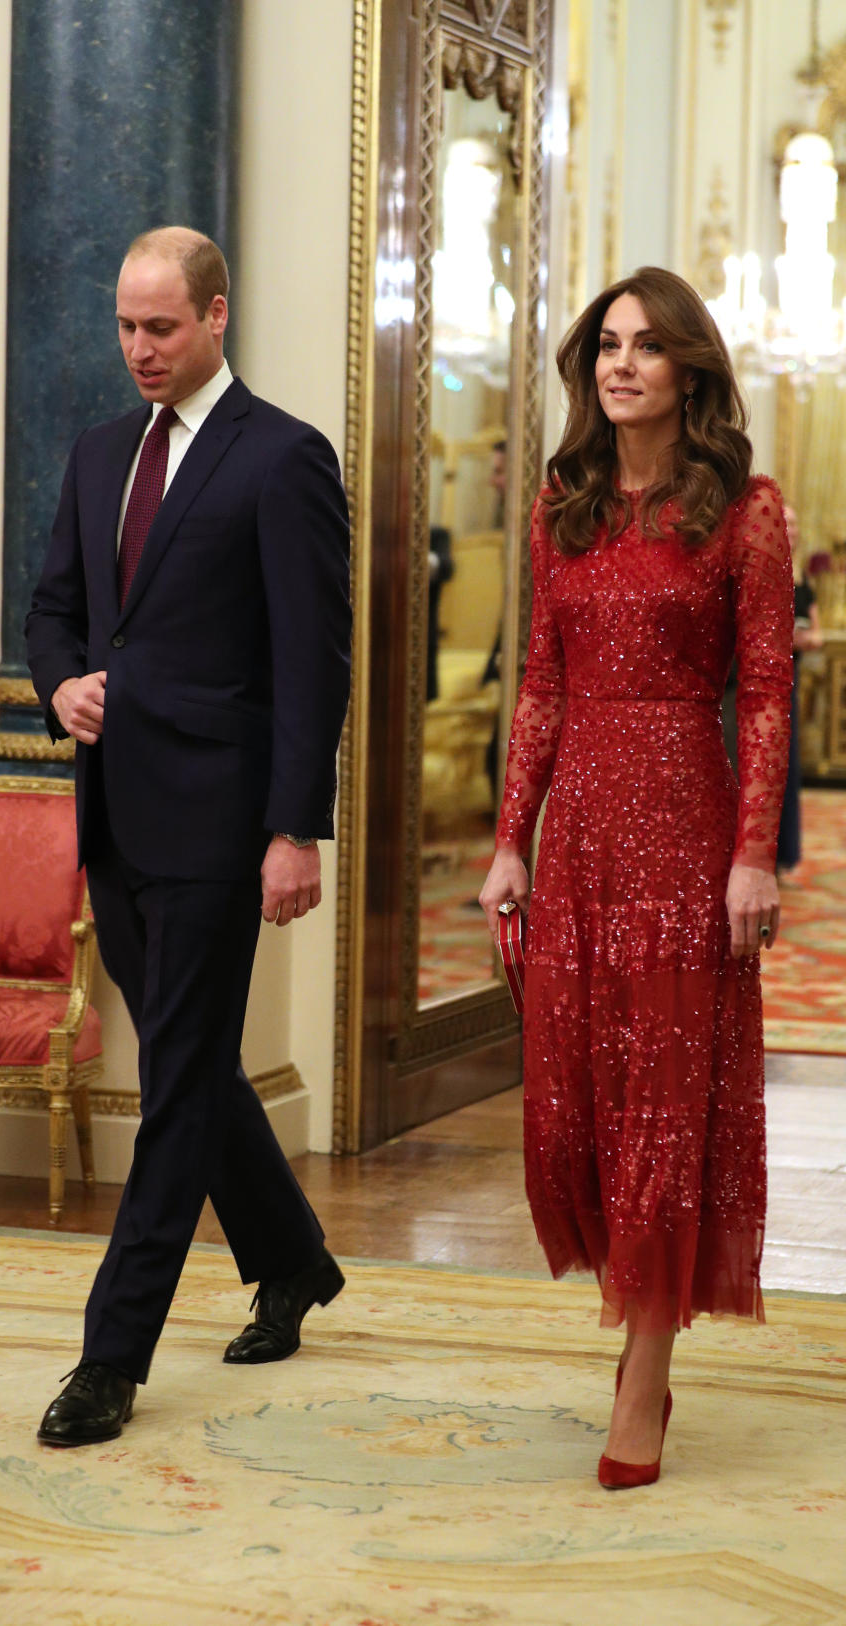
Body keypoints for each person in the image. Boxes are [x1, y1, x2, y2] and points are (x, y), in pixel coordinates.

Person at [25, 227, 352, 1448]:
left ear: (218, 316)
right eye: (125, 325)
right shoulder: (99, 452)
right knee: (198, 1064)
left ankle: (110, 1360)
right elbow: (56, 610)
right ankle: (294, 1259)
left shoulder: (284, 459)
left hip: (223, 828)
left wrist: (294, 831)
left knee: (172, 1086)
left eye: (161, 327)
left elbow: (312, 668)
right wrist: (61, 687)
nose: (139, 349)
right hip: (116, 815)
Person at [479, 266, 793, 1489]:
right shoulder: (567, 503)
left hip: (683, 828)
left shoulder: (743, 511)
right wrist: (514, 836)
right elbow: (544, 685)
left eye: (646, 348)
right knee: (582, 1104)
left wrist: (753, 855)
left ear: (689, 373)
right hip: (581, 848)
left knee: (667, 1101)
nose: (620, 365)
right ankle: (636, 1311)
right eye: (606, 345)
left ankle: (648, 1373)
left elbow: (763, 695)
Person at [776, 503, 823, 874]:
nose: (789, 529)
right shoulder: (762, 571)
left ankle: (784, 854)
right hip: (753, 681)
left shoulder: (804, 582)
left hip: (788, 682)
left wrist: (801, 640)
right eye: (784, 522)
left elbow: (818, 635)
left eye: (794, 523)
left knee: (787, 771)